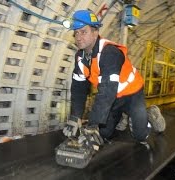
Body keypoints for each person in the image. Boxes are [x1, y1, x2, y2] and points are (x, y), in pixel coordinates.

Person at [63, 10, 165, 149]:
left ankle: (150, 113)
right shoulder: (80, 58)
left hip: (132, 94)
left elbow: (107, 90)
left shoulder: (109, 52)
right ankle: (122, 116)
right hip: (114, 99)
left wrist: (93, 124)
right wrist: (75, 116)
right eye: (76, 33)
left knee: (141, 136)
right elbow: (78, 89)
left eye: (83, 31)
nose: (78, 37)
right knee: (103, 134)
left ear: (95, 32)